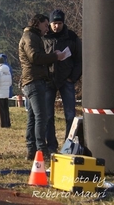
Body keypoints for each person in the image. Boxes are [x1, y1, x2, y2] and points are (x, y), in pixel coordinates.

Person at [18, 14, 66, 161]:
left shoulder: (31, 36)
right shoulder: (30, 37)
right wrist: (55, 56)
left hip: (32, 80)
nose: (47, 29)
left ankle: (32, 149)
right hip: (34, 80)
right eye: (46, 25)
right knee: (41, 116)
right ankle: (41, 149)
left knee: (33, 116)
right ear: (38, 23)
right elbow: (35, 57)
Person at [43, 9, 82, 154]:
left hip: (67, 80)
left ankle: (68, 145)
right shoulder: (44, 37)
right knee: (48, 115)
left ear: (63, 23)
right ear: (50, 23)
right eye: (54, 23)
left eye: (59, 23)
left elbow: (79, 59)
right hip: (49, 80)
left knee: (70, 115)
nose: (56, 26)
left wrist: (72, 77)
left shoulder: (72, 37)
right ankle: (51, 145)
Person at [0, 56, 12, 128]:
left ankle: (2, 124)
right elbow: (10, 82)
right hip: (6, 91)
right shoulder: (7, 69)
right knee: (5, 109)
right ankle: (7, 123)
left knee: (0, 109)